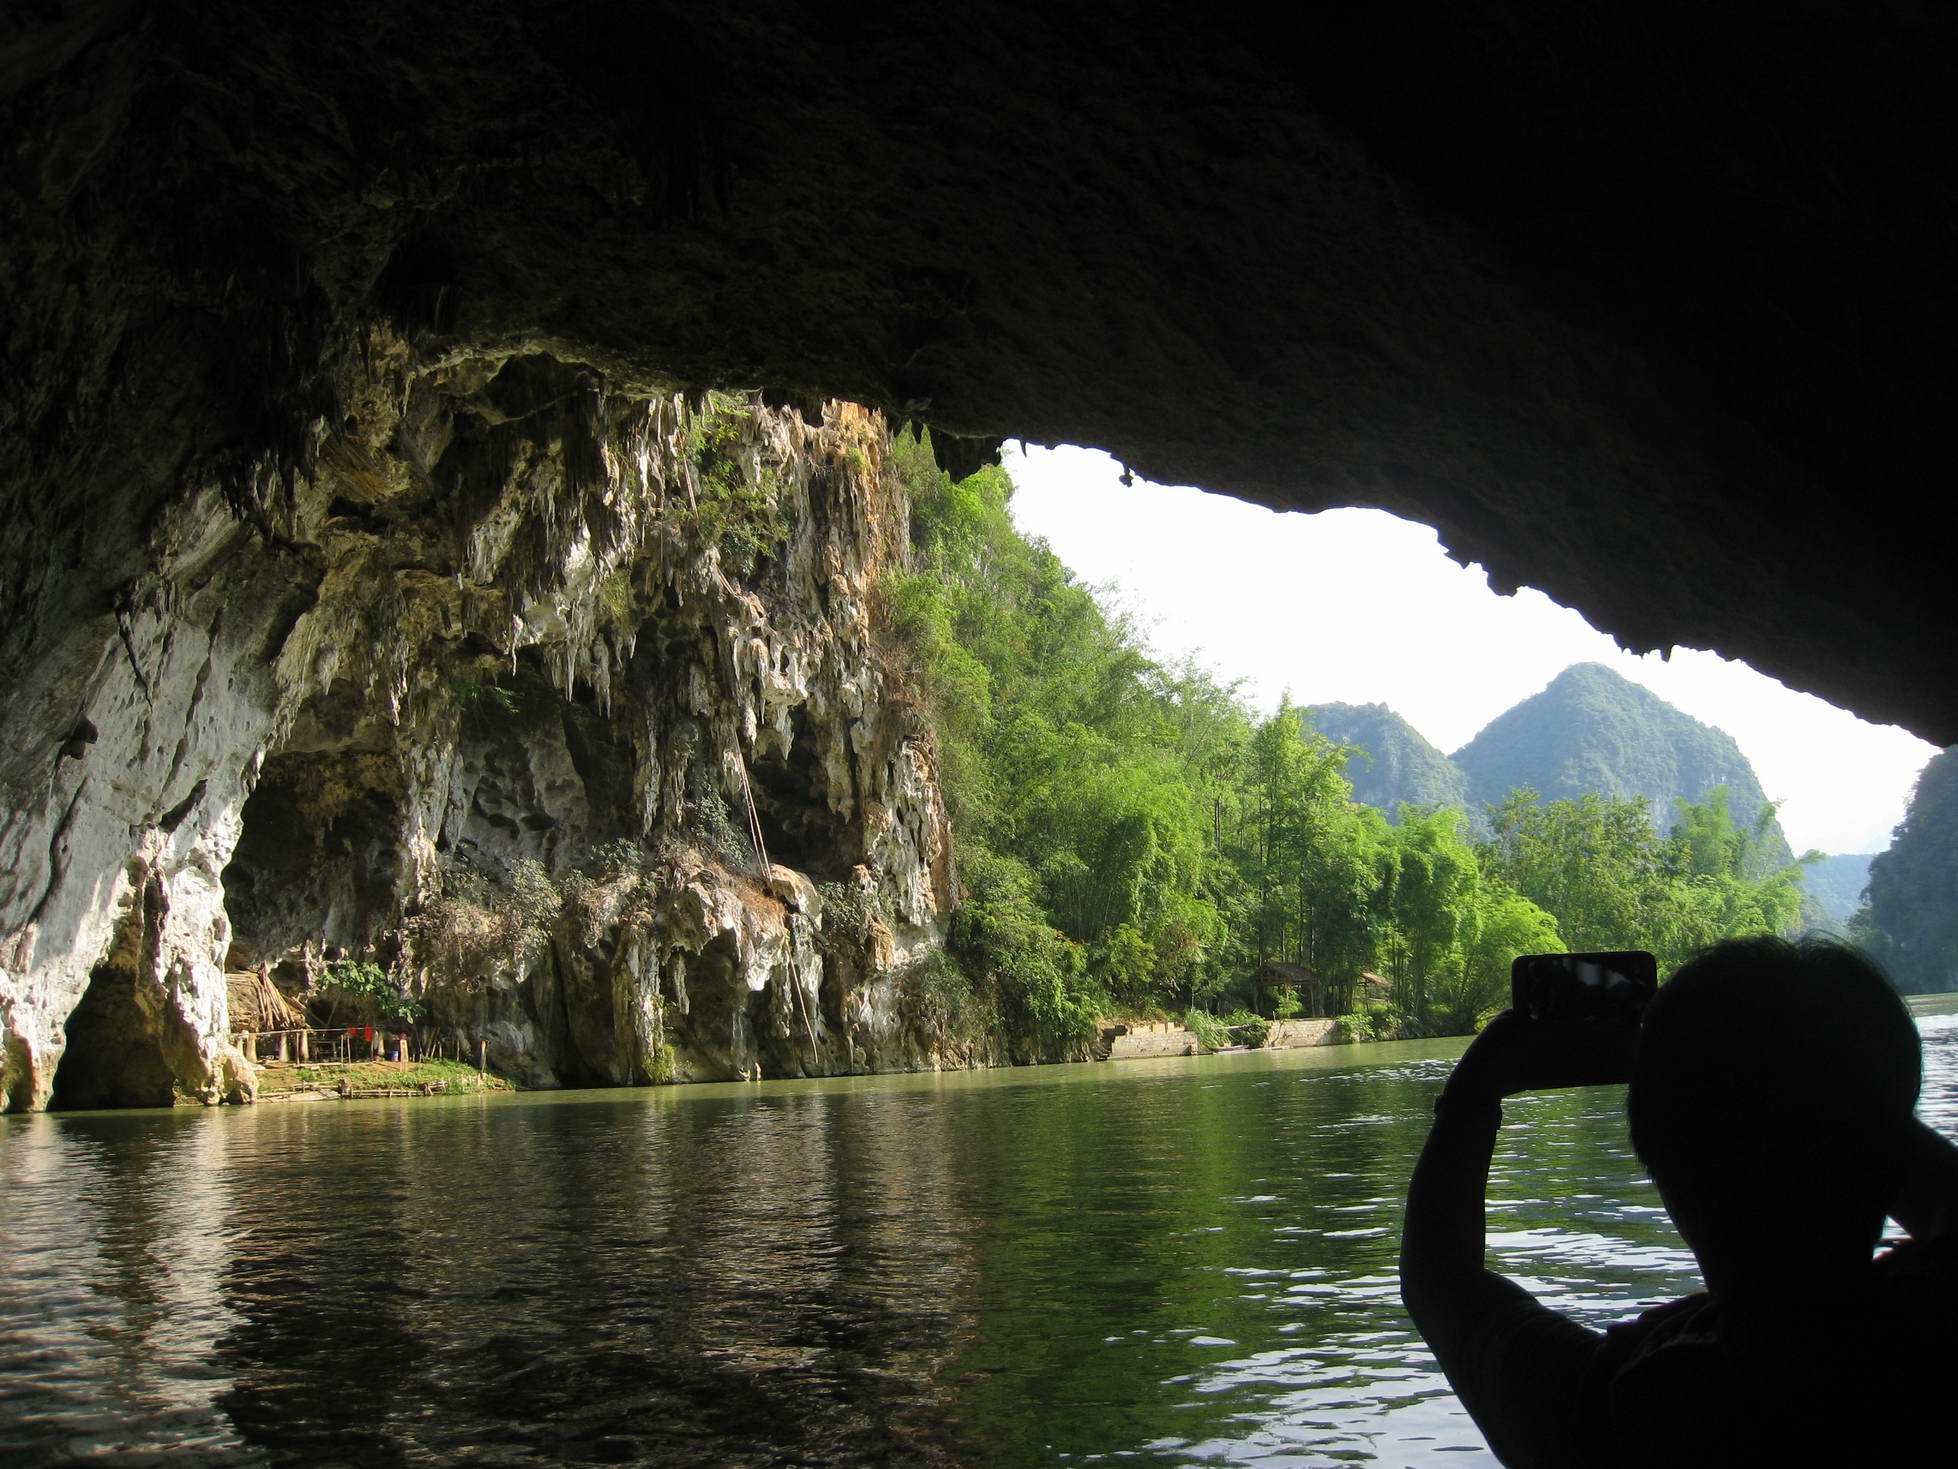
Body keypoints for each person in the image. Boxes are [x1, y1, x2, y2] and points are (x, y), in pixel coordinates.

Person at [1400, 936, 1958, 1466]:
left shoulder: (1634, 1412)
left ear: (1660, 1164)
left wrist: (1477, 1085)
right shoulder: (1933, 1329)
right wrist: (1842, 1087)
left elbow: (1440, 1278)